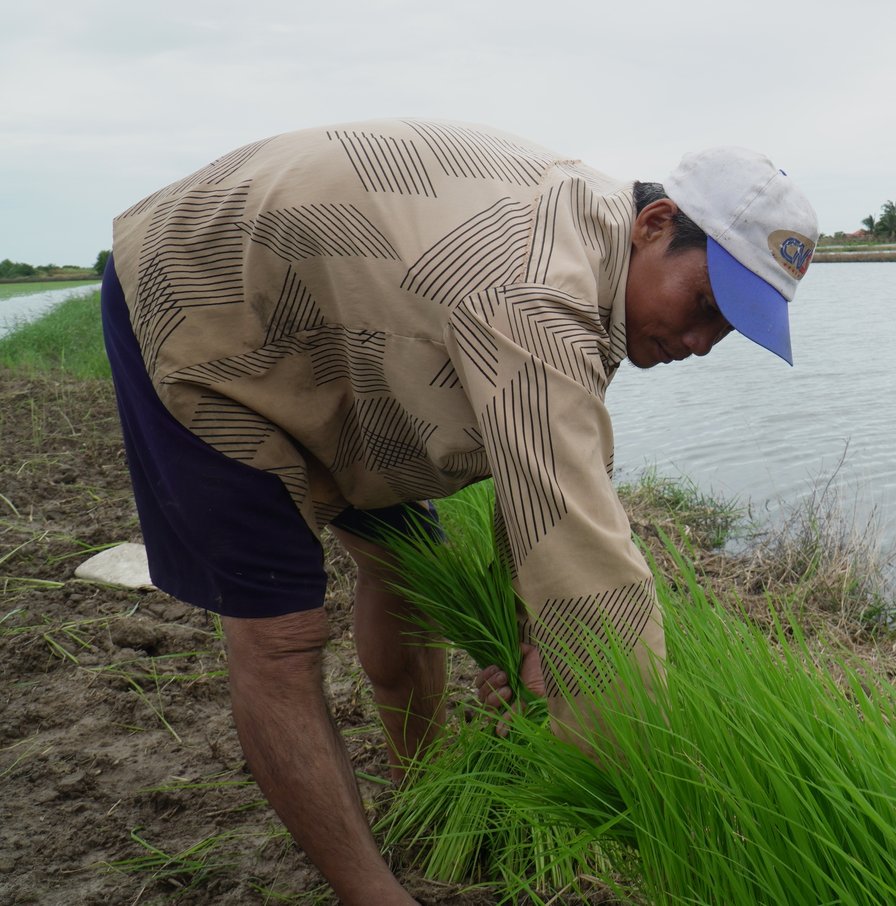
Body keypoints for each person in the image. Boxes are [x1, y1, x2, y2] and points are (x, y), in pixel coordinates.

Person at [102, 118, 818, 905]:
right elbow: (592, 559)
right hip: (203, 296)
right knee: (280, 635)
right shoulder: (534, 286)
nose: (702, 342)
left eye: (729, 328)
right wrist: (624, 749)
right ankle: (372, 893)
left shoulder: (595, 254)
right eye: (707, 303)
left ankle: (421, 790)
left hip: (351, 333)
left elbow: (544, 469)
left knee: (408, 575)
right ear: (655, 225)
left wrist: (532, 629)